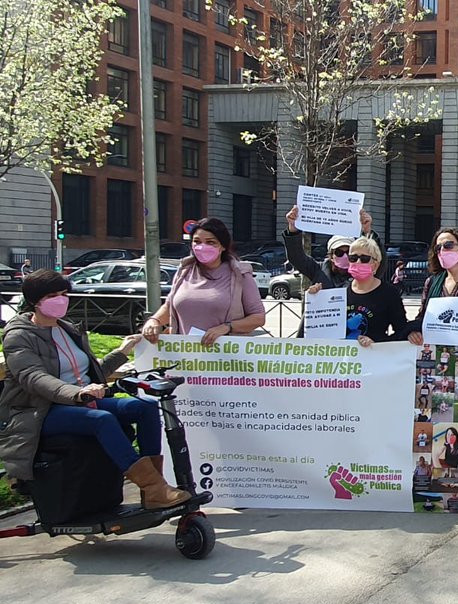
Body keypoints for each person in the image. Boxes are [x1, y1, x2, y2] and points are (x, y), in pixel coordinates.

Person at [0, 270, 190, 509]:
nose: (61, 299)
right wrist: (76, 393)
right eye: (53, 295)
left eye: (64, 293)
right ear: (35, 301)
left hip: (79, 400)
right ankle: (153, 487)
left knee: (146, 408)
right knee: (102, 420)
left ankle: (155, 490)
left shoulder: (67, 328)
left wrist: (121, 352)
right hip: (39, 411)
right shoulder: (19, 336)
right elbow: (33, 377)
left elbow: (88, 372)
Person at [141, 217, 266, 346]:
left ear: (222, 246)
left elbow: (258, 318)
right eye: (197, 241)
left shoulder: (240, 274)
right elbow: (170, 306)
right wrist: (154, 321)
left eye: (210, 242)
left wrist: (227, 327)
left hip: (226, 358)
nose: (202, 247)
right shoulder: (184, 271)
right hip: (186, 357)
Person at [308, 237, 410, 345]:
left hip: (374, 358)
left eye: (364, 258)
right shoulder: (342, 291)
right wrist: (316, 299)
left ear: (375, 264)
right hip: (342, 358)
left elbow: (401, 331)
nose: (358, 262)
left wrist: (376, 343)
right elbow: (324, 327)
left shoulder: (389, 293)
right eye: (353, 258)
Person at [283, 203, 385, 287]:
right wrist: (293, 228)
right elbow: (296, 257)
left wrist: (367, 230)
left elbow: (379, 260)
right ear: (331, 255)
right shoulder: (319, 270)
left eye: (348, 252)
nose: (344, 256)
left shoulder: (362, 271)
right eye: (339, 252)